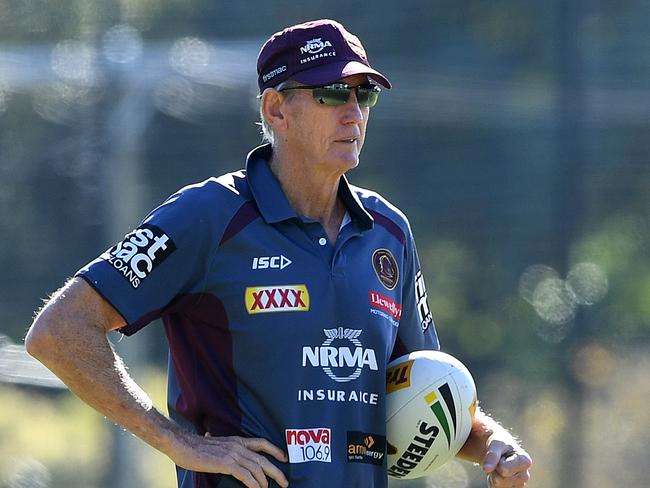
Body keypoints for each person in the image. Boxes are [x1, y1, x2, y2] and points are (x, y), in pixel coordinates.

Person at [25, 18, 531, 488]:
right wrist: (178, 445)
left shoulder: (389, 233)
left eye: (364, 95)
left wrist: (494, 445)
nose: (353, 112)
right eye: (333, 94)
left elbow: (420, 392)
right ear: (276, 110)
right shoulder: (208, 216)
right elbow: (59, 332)